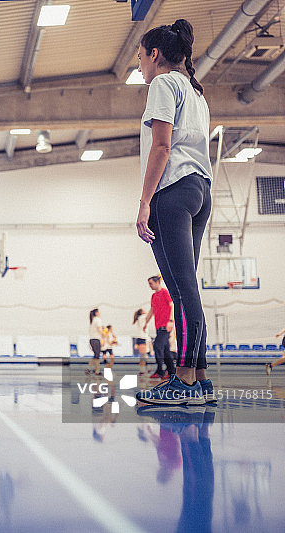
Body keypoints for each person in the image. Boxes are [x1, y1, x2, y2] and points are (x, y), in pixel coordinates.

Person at [133, 19, 213, 406]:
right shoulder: (196, 92)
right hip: (201, 189)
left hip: (174, 191)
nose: (140, 66)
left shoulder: (163, 84)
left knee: (181, 289)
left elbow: (162, 147)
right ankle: (199, 378)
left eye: (140, 57)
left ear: (155, 54)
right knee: (187, 287)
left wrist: (145, 202)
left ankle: (183, 380)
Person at [144, 275, 175, 380]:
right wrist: (146, 323)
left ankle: (160, 371)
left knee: (157, 345)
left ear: (157, 282)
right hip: (158, 326)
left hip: (165, 326)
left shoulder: (165, 292)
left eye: (151, 283)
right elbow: (152, 310)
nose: (150, 286)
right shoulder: (153, 296)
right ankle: (172, 372)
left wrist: (171, 321)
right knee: (166, 350)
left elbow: (172, 305)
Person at [132, 308, 152, 374]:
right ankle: (142, 370)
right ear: (142, 312)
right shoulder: (142, 317)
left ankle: (146, 369)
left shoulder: (139, 319)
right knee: (143, 356)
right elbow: (150, 314)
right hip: (142, 338)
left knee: (144, 356)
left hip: (142, 338)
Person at [86, 308, 104, 375]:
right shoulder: (98, 319)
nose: (100, 313)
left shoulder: (93, 320)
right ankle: (97, 371)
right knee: (97, 356)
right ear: (96, 313)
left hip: (92, 340)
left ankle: (89, 368)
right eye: (99, 312)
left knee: (95, 355)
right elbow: (99, 330)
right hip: (96, 340)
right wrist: (104, 335)